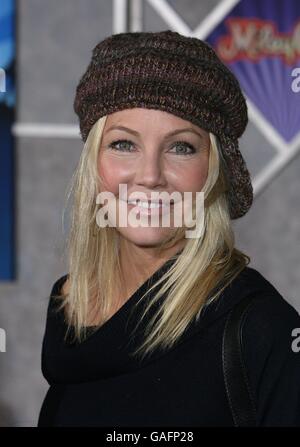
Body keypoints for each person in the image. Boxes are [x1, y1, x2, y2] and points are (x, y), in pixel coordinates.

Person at [37, 30, 300, 427]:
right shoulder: (69, 307)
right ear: (95, 163)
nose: (150, 175)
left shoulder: (263, 330)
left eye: (181, 147)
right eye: (124, 144)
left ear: (212, 172)